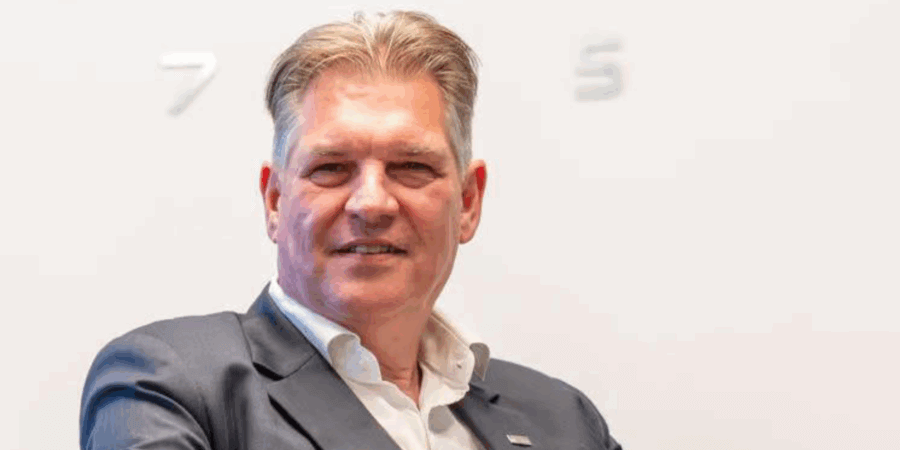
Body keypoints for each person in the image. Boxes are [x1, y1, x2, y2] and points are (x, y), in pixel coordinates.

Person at [80, 10, 623, 450]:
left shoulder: (564, 420)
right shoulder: (173, 386)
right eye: (331, 168)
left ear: (468, 202)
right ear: (275, 200)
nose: (371, 202)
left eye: (411, 167)